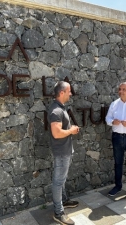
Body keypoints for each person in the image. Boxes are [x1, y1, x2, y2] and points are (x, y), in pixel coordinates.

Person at [47, 81, 80, 225]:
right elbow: (56, 133)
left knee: (62, 180)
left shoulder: (60, 108)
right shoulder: (56, 111)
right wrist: (71, 131)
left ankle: (64, 200)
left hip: (65, 150)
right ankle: (58, 212)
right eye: (69, 91)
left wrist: (70, 129)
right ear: (62, 93)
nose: (71, 94)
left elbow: (61, 129)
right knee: (58, 181)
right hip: (61, 152)